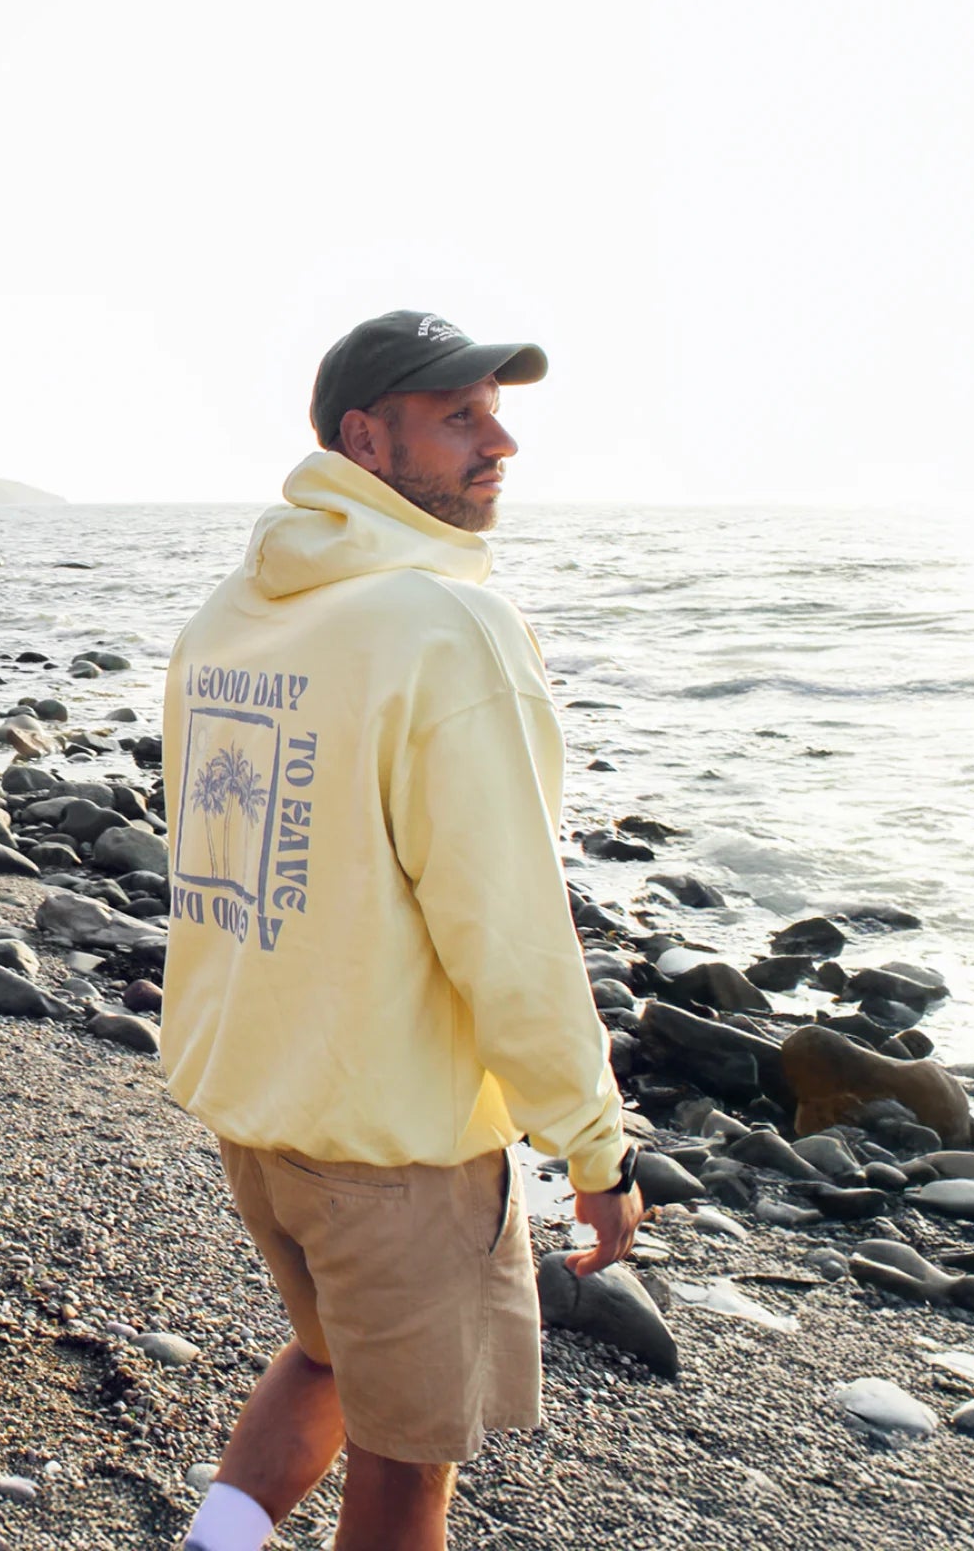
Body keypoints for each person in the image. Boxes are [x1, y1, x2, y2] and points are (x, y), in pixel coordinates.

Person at [160, 309, 643, 1551]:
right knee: (409, 1453)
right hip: (398, 1146)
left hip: (261, 1114)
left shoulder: (230, 618)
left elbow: (219, 861)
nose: (502, 441)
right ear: (364, 438)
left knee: (326, 1359)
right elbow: (512, 926)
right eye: (461, 417)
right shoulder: (445, 629)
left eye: (497, 409)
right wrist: (596, 1146)